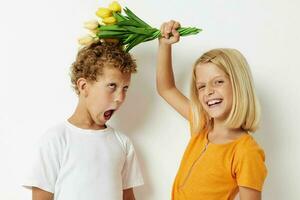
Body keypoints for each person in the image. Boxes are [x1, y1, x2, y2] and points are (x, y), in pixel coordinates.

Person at [156, 20, 267, 200]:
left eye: (218, 82)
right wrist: (164, 45)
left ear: (238, 85)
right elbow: (166, 89)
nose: (208, 91)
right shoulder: (202, 125)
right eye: (201, 86)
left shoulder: (246, 152)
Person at [23, 41, 144, 200]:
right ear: (84, 86)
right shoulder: (56, 140)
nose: (120, 98)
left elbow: (128, 197)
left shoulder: (122, 143)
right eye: (112, 86)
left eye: (125, 88)